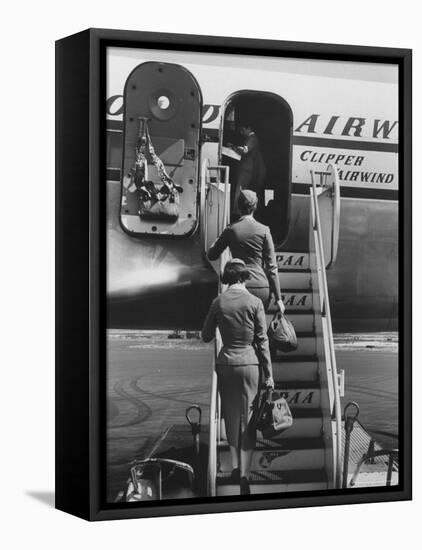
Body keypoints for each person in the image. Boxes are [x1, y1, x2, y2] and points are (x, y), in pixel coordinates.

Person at [201, 259, 274, 495]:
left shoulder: (218, 302)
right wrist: (269, 375)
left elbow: (205, 335)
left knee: (230, 416)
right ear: (244, 277)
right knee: (249, 420)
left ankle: (233, 465)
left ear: (227, 279)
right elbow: (262, 341)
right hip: (250, 364)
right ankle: (245, 474)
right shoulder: (255, 302)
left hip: (226, 364)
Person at [207, 190, 285, 314]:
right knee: (258, 330)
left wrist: (219, 238)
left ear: (238, 207)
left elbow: (211, 255)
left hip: (239, 287)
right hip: (261, 287)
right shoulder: (264, 230)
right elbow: (272, 268)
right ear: (255, 207)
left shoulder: (231, 230)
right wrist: (279, 298)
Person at [228, 123, 266, 217]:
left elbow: (244, 150)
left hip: (246, 168)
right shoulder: (251, 138)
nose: (241, 132)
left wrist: (233, 147)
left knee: (240, 189)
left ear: (248, 128)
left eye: (243, 130)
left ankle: (237, 212)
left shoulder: (252, 138)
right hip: (246, 168)